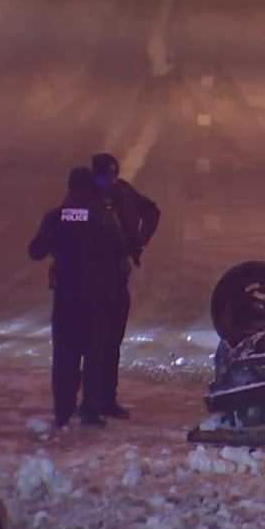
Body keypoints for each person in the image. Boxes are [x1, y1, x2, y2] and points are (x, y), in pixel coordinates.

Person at [28, 166, 131, 429]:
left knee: (64, 356)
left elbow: (35, 250)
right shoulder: (102, 216)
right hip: (96, 298)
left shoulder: (56, 217)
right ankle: (90, 412)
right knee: (94, 355)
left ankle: (62, 412)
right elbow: (121, 248)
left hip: (65, 297)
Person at [90, 152, 161, 420]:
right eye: (104, 176)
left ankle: (106, 399)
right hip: (93, 282)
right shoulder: (86, 199)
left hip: (116, 278)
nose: (109, 181)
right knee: (95, 343)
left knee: (111, 342)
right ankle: (92, 401)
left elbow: (152, 211)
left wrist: (137, 245)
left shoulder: (123, 192)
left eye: (112, 175)